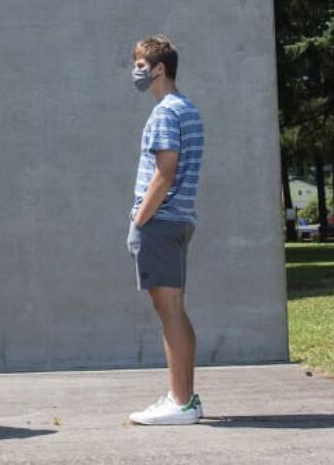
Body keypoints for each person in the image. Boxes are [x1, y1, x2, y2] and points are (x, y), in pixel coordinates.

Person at [125, 35, 206, 425]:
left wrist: (139, 220)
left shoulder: (164, 113)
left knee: (169, 313)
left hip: (160, 222)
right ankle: (184, 398)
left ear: (159, 68)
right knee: (176, 312)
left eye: (140, 65)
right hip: (178, 220)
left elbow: (164, 172)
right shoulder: (187, 109)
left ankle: (181, 401)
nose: (135, 72)